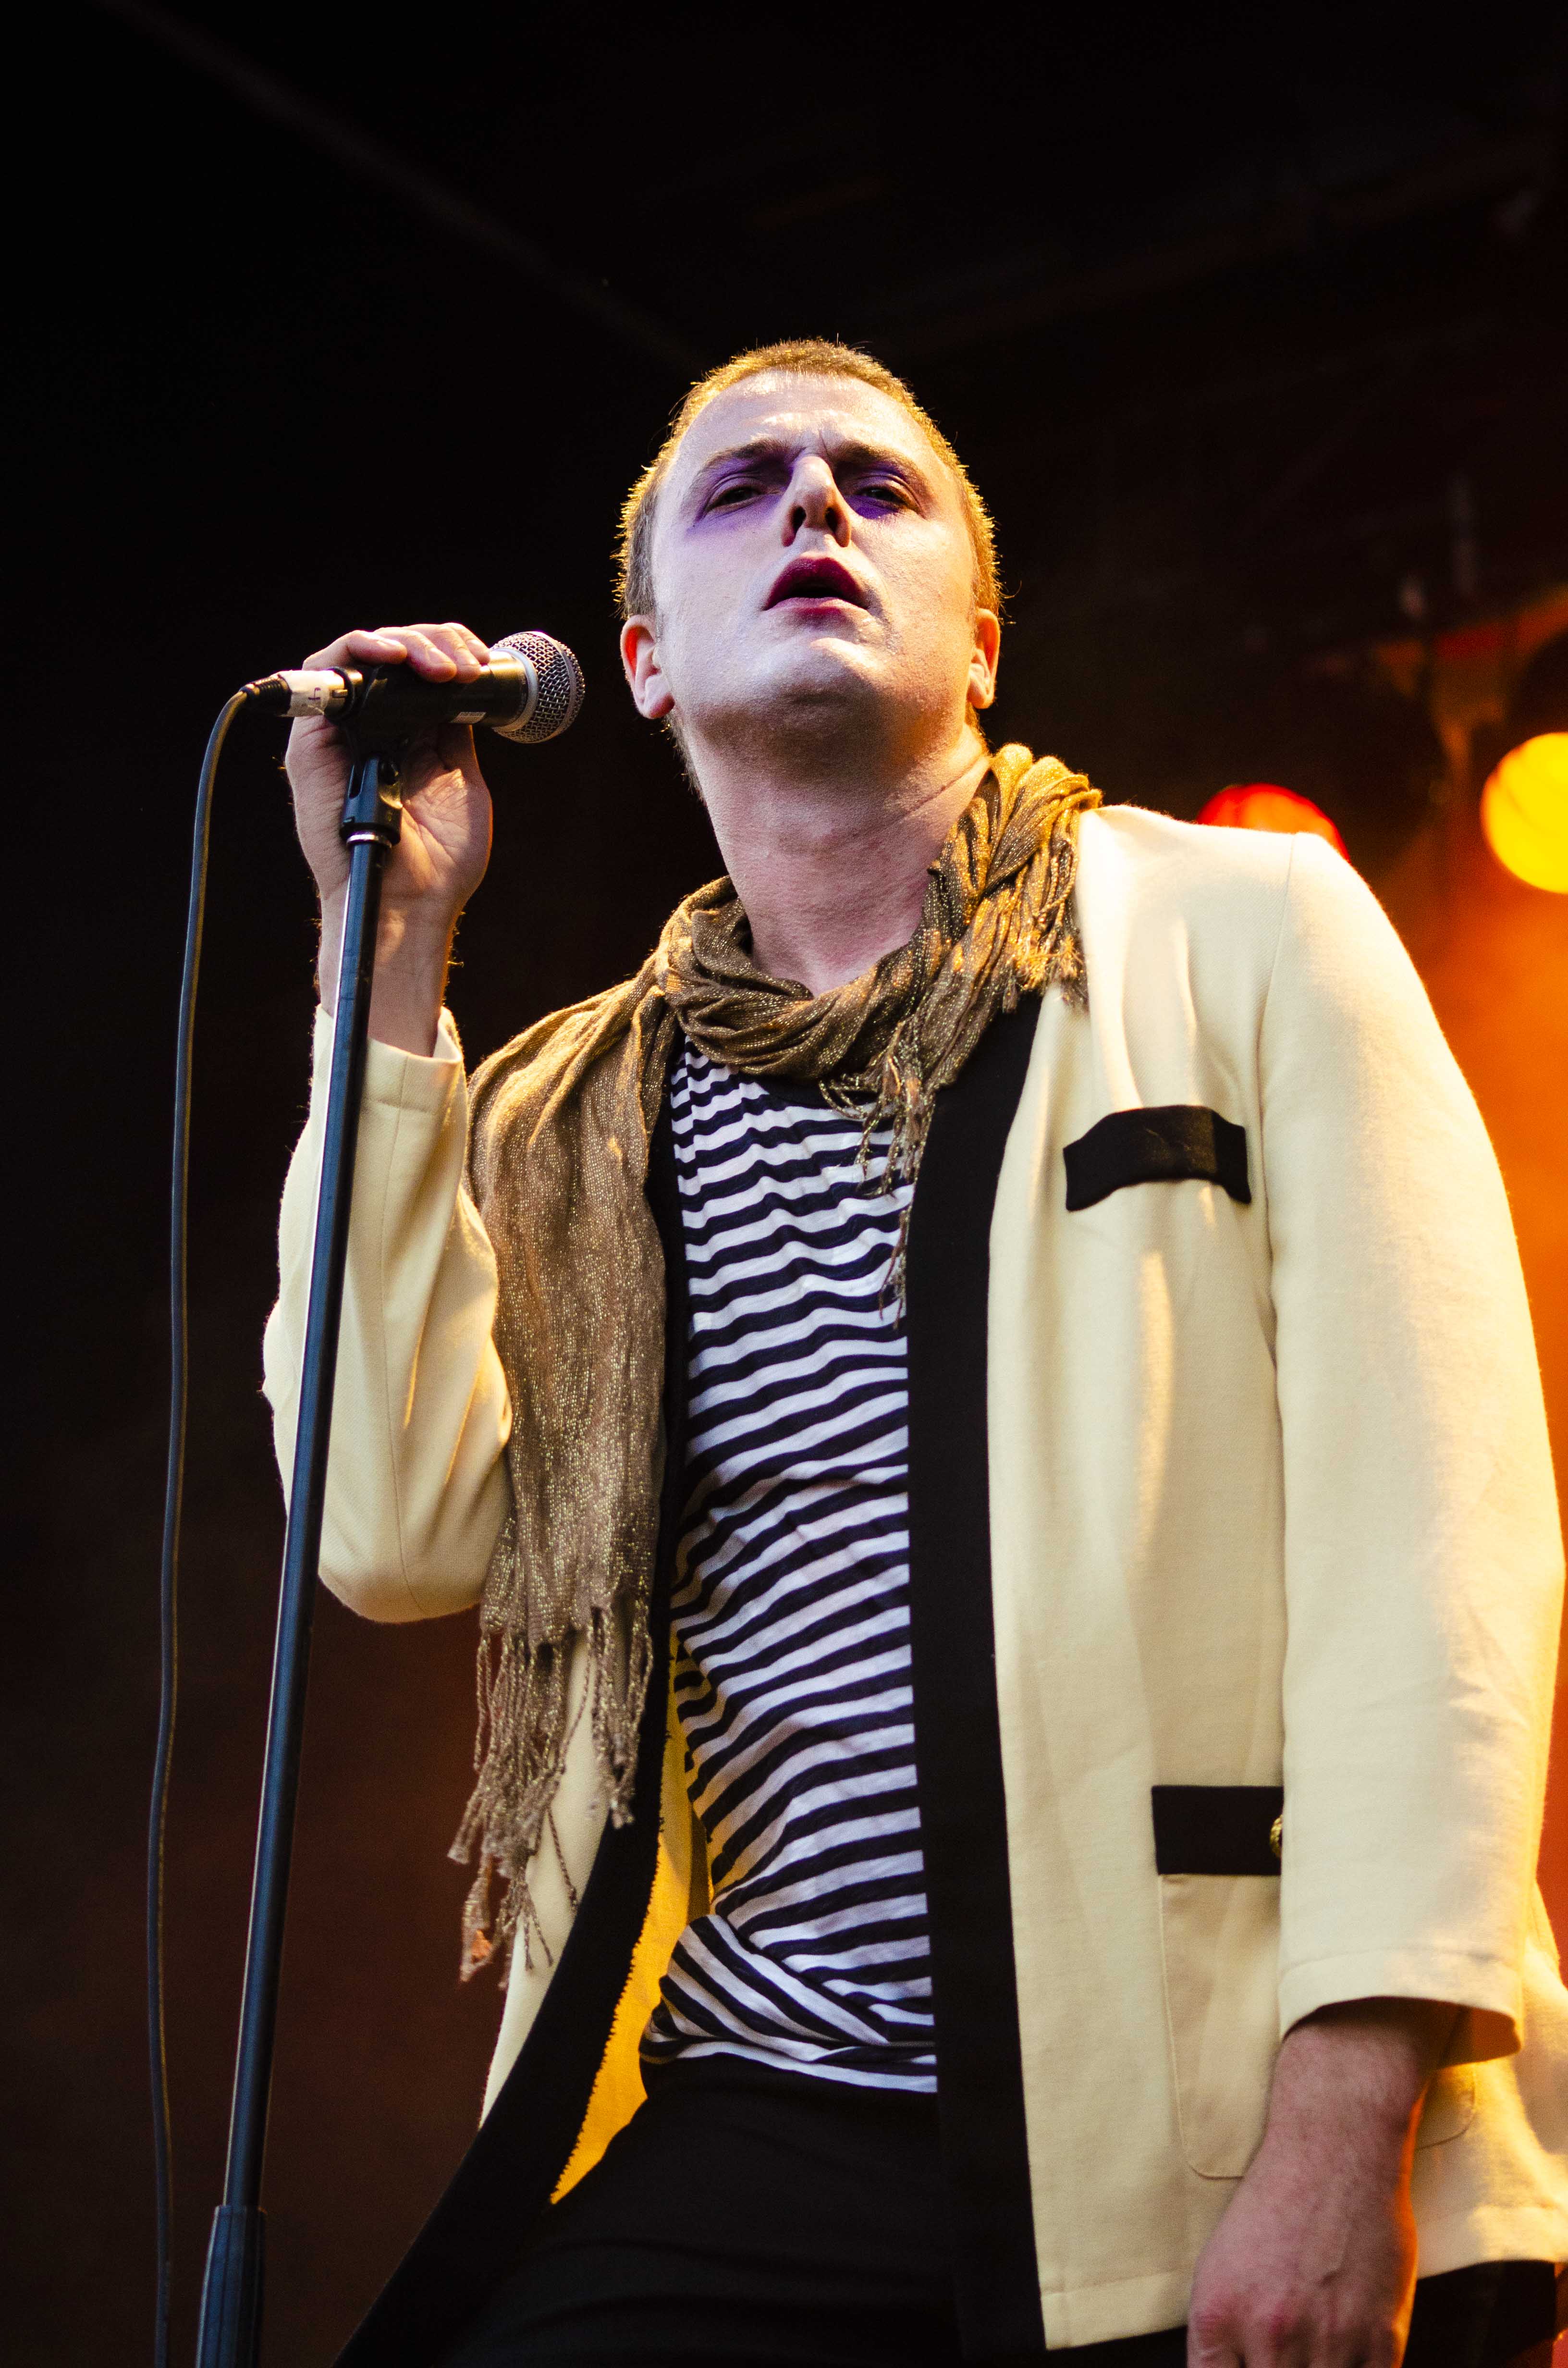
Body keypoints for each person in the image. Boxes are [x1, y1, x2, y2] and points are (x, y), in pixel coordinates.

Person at [264, 341, 1568, 2368]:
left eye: (877, 485)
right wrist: (392, 948)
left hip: (1197, 2086)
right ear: (644, 664)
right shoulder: (561, 1117)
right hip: (765, 2094)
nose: (812, 503)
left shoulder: (1244, 928)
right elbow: (385, 1525)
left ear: (981, 643)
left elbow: (1440, 1538)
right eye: (741, 488)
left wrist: (1343, 2105)